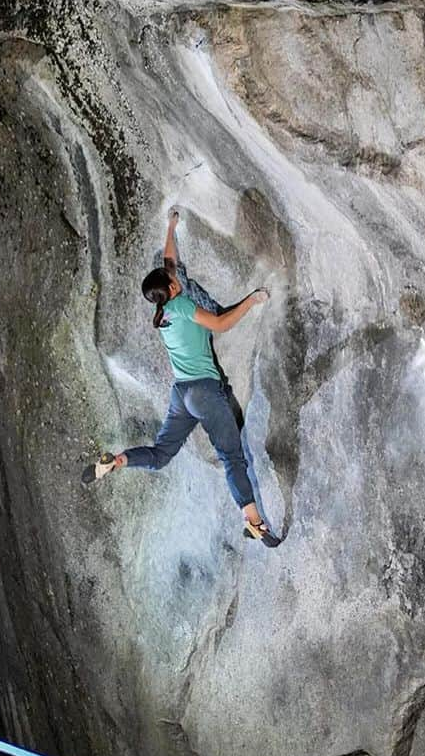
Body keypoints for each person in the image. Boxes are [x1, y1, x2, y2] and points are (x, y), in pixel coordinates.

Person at [84, 207, 280, 547]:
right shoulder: (184, 306)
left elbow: (170, 261)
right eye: (172, 277)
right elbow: (220, 325)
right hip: (203, 393)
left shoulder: (162, 313)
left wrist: (171, 226)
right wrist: (251, 301)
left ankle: (116, 461)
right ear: (172, 288)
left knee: (160, 456)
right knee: (232, 457)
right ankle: (254, 522)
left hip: (182, 396)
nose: (174, 274)